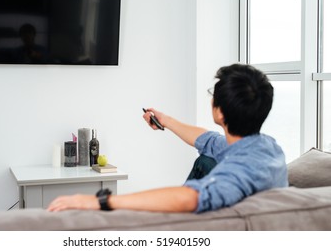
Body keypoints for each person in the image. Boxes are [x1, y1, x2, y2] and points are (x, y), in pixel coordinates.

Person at [47, 63, 288, 213]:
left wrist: (102, 201)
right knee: (206, 157)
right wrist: (167, 121)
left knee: (203, 163)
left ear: (220, 111)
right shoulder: (267, 147)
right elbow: (208, 140)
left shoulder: (240, 169)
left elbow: (191, 198)